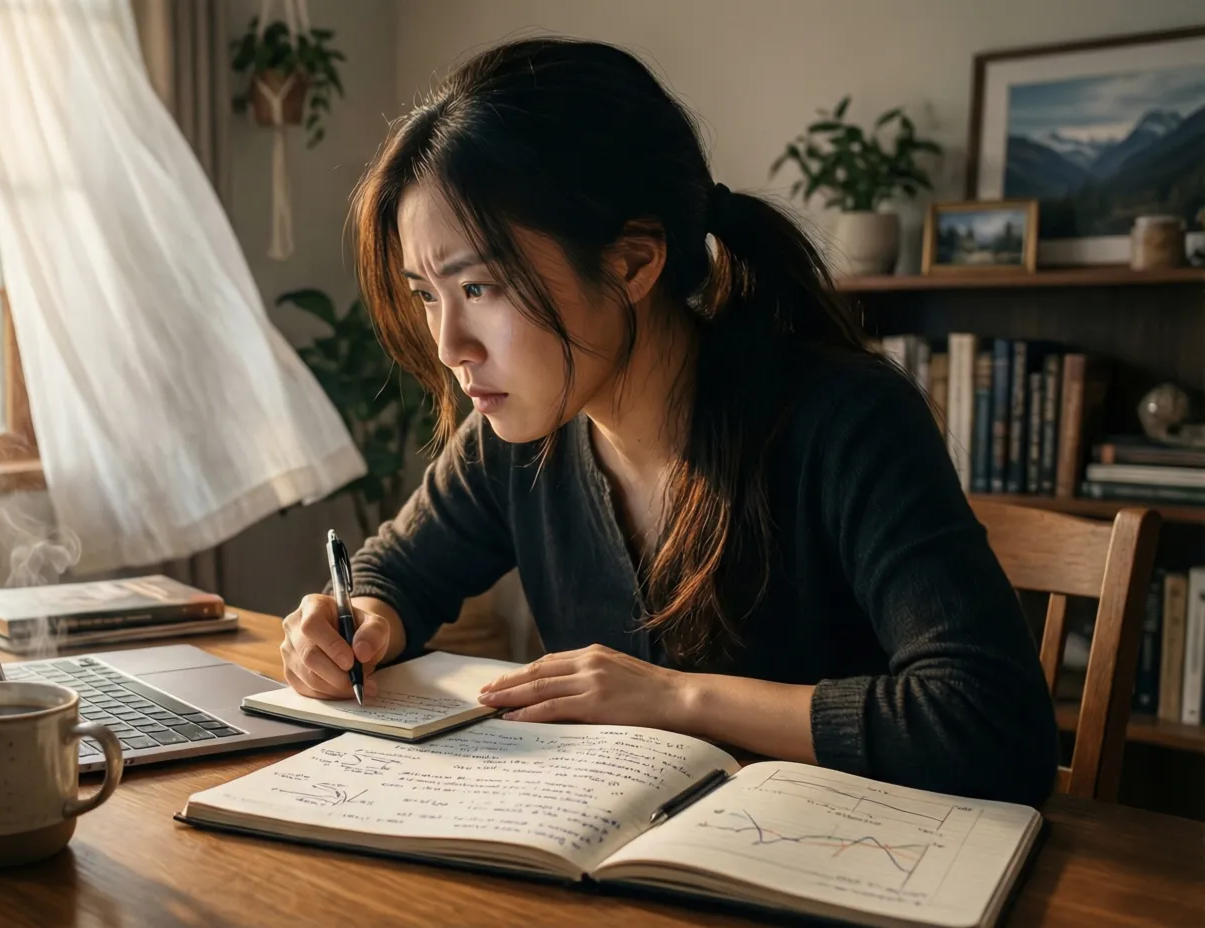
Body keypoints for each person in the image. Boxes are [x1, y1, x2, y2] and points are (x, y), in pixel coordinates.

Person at [278, 37, 1057, 805]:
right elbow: (393, 576)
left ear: (632, 264)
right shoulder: (512, 439)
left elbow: (993, 723)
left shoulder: (843, 418)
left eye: (479, 288)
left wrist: (677, 698)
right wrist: (357, 622)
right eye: (426, 295)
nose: (449, 346)